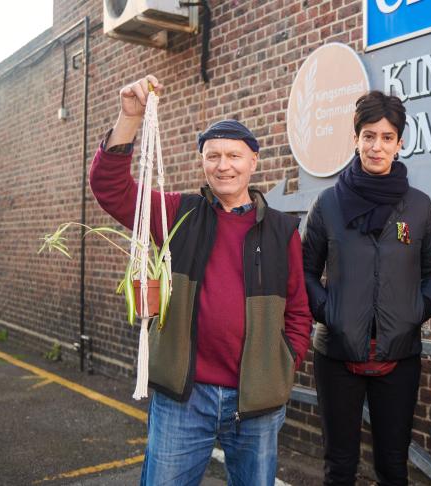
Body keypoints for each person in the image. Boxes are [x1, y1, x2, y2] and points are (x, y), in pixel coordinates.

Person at [89, 74, 313, 486]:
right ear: (203, 162)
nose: (223, 165)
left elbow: (298, 308)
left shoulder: (282, 230)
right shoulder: (180, 213)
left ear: (253, 162)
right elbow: (110, 190)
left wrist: (285, 362)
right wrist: (129, 119)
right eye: (213, 156)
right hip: (185, 398)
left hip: (258, 399)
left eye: (233, 155)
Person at [302, 90, 431, 485]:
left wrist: (414, 312)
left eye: (386, 137)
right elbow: (305, 272)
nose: (376, 146)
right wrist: (329, 313)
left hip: (398, 357)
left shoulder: (419, 207)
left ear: (399, 144)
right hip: (336, 355)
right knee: (339, 466)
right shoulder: (328, 204)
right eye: (368, 135)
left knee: (393, 466)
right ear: (355, 139)